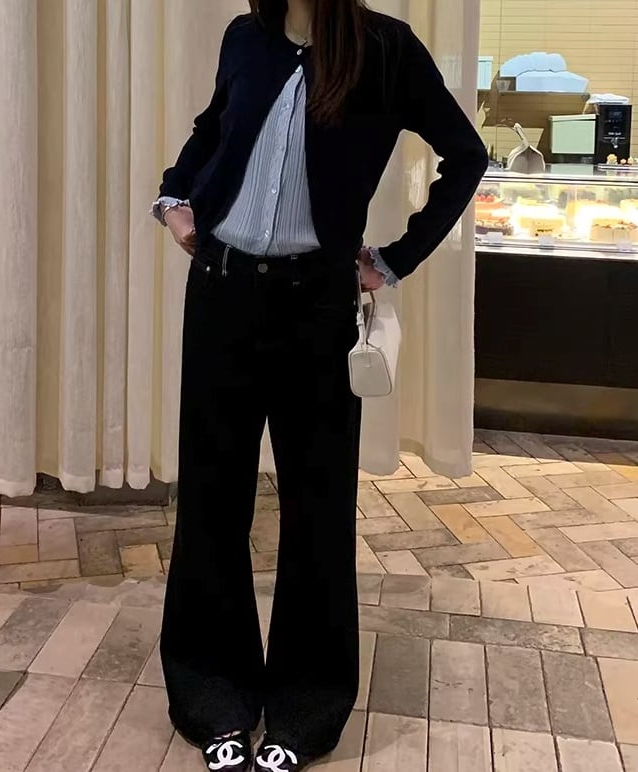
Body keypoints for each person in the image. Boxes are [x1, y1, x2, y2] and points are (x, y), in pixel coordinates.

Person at [152, 1, 488, 770]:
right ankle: (212, 700)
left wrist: (395, 258)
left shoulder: (385, 50)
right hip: (222, 294)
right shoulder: (247, 37)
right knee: (211, 500)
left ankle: (305, 712)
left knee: (318, 509)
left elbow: (465, 155)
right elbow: (212, 130)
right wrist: (176, 199)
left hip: (317, 306)